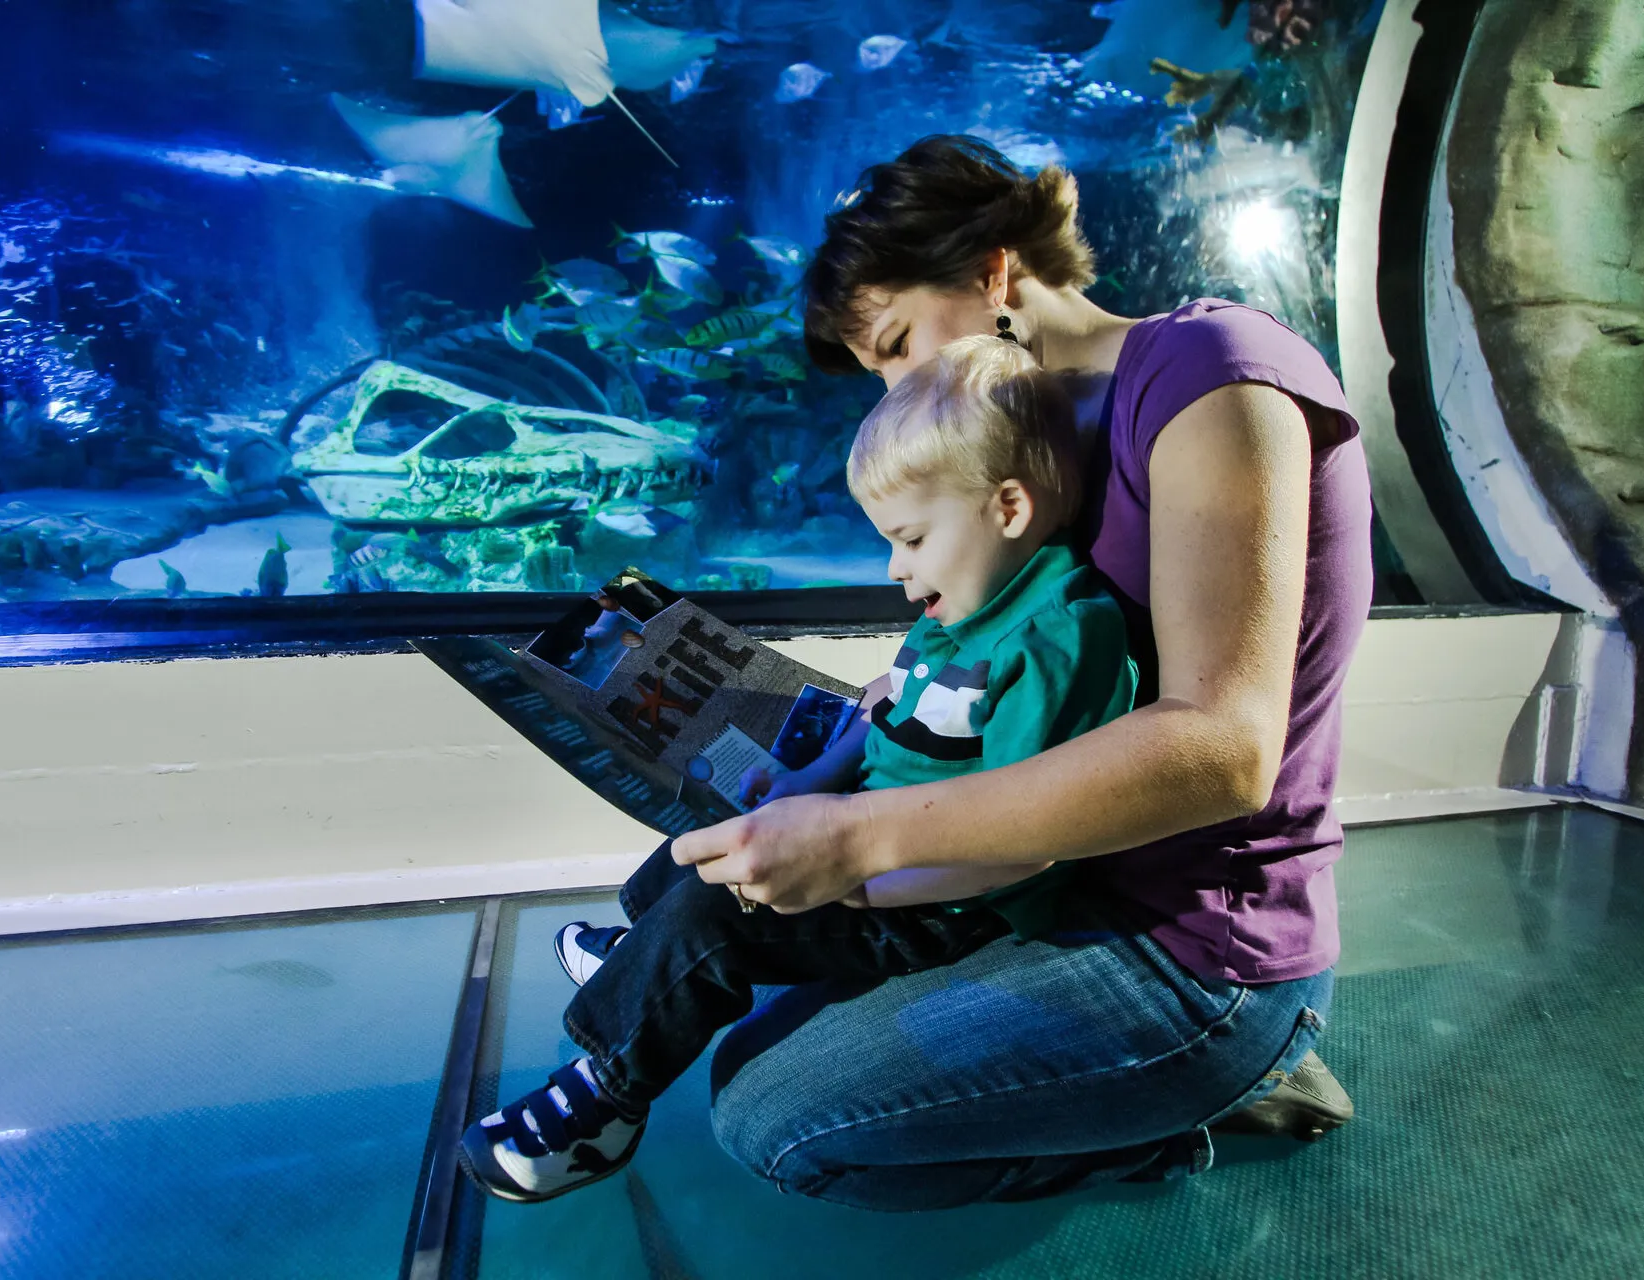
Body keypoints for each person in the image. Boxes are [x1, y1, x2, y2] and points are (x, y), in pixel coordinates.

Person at [661, 134, 1368, 1209]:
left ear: (996, 273)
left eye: (897, 344)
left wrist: (859, 836)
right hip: (1051, 882)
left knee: (779, 1121)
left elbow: (1224, 749)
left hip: (1187, 940)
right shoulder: (1033, 439)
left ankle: (1216, 1088)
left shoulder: (1209, 371)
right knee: (737, 1029)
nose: (895, 389)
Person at [459, 335, 1138, 1204]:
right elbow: (882, 715)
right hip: (877, 827)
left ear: (1008, 508)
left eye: (912, 539)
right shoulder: (961, 608)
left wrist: (855, 882)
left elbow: (1031, 842)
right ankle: (643, 957)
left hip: (941, 899)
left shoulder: (1057, 639)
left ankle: (606, 1104)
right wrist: (805, 784)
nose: (898, 572)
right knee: (702, 842)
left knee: (719, 914)